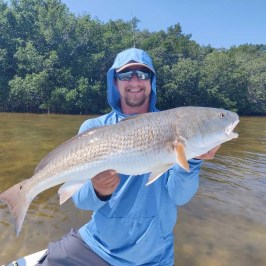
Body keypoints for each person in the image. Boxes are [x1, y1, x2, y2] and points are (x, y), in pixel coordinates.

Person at [37, 48, 220, 266]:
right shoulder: (94, 128)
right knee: (52, 260)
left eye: (142, 74)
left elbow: (180, 196)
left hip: (153, 257)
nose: (134, 81)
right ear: (115, 82)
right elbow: (81, 201)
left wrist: (194, 160)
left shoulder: (172, 127)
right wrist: (98, 191)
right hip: (98, 246)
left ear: (152, 81)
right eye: (125, 75)